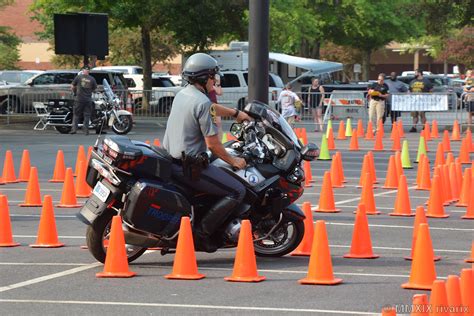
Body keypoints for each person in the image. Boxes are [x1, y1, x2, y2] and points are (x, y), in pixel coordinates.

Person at [163, 53, 251, 253]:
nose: (214, 79)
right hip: (189, 167)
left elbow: (211, 108)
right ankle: (201, 235)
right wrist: (234, 160)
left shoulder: (184, 94)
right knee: (237, 191)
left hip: (173, 159)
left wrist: (236, 114)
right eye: (212, 76)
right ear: (204, 78)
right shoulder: (201, 102)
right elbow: (213, 144)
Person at [70, 65, 97, 135]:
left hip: (79, 99)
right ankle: (85, 130)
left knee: (76, 114)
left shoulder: (78, 77)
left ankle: (74, 129)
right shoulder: (92, 79)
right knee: (87, 115)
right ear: (89, 71)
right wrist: (89, 91)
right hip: (88, 100)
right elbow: (94, 88)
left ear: (83, 70)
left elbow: (72, 86)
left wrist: (75, 92)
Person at [207, 74, 223, 141]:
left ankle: (219, 141)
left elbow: (219, 92)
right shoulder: (207, 86)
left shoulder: (213, 86)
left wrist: (218, 83)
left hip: (214, 107)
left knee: (218, 124)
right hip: (208, 107)